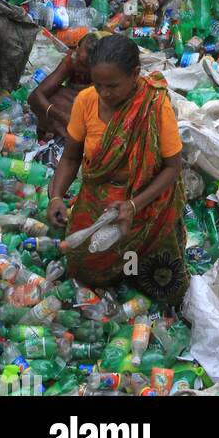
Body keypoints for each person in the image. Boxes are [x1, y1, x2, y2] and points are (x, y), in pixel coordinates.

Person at [46, 35, 187, 304]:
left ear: (135, 75)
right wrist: (56, 196)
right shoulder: (86, 101)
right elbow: (71, 157)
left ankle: (132, 279)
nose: (105, 93)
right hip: (99, 199)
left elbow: (172, 167)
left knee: (152, 275)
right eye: (98, 84)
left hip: (145, 202)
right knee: (83, 267)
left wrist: (133, 205)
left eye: (112, 85)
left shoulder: (155, 106)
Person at [29, 33, 97, 142]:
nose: (75, 62)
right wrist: (61, 117)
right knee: (54, 99)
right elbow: (35, 96)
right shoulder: (73, 58)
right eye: (76, 53)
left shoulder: (104, 80)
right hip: (68, 113)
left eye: (83, 64)